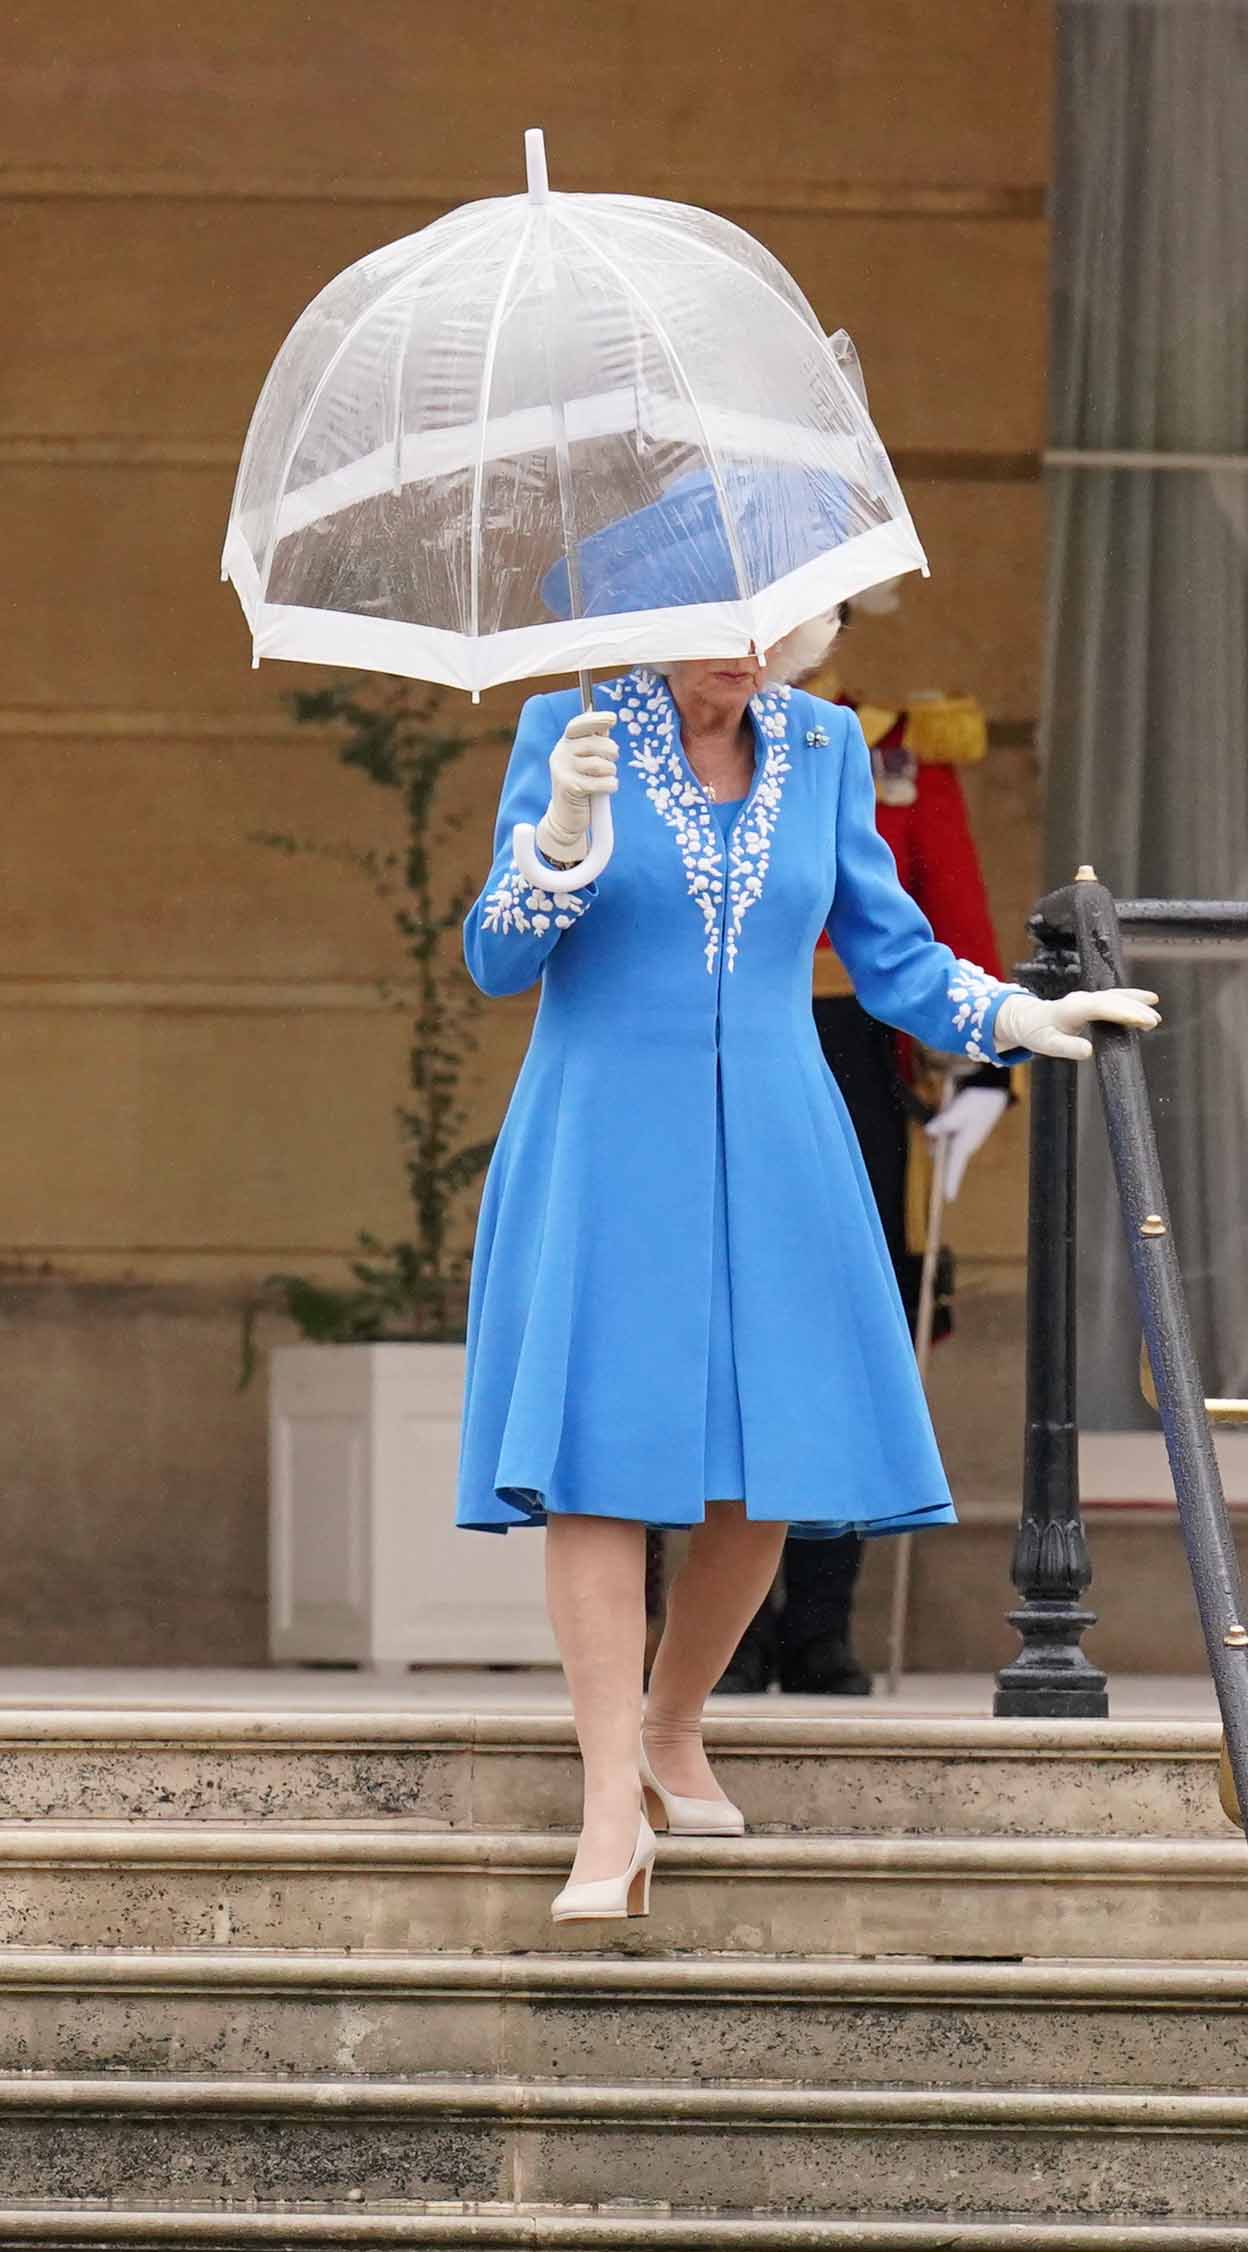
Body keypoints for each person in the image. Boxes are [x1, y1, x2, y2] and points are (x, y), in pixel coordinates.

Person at [458, 554, 1156, 1923]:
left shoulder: (827, 745)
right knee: (599, 1464)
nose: (755, 649)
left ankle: (673, 1726)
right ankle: (609, 1804)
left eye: (776, 623)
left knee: (759, 1468)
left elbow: (889, 954)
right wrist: (560, 842)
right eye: (723, 627)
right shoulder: (570, 729)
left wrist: (1019, 1021)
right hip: (605, 1135)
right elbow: (496, 961)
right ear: (650, 624)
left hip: (779, 1135)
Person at [718, 599, 1011, 1694]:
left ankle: (817, 1623)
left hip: (845, 1048)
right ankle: (720, 1630)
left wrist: (986, 1069)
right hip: (709, 1038)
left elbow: (945, 920)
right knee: (708, 1328)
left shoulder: (879, 747)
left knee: (840, 1321)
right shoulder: (644, 740)